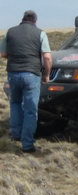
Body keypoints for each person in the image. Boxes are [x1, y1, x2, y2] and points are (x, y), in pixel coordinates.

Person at [1, 10, 52, 153]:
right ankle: (27, 145)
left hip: (13, 74)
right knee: (30, 110)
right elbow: (47, 57)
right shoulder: (40, 33)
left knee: (15, 104)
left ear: (22, 19)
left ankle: (16, 135)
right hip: (31, 75)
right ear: (35, 21)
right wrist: (46, 75)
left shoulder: (10, 32)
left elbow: (3, 53)